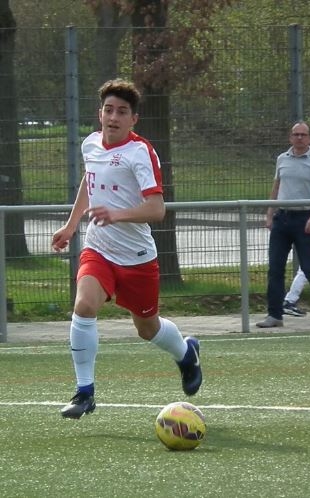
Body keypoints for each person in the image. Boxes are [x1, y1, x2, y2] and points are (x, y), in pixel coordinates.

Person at [51, 79, 202, 419]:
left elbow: (157, 209)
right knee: (84, 306)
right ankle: (84, 393)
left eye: (122, 112)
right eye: (108, 110)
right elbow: (90, 181)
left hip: (136, 258)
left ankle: (186, 353)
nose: (113, 117)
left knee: (147, 328)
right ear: (99, 114)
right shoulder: (90, 144)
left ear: (133, 119)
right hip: (98, 249)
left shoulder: (140, 152)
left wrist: (116, 214)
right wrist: (71, 225)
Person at [256, 121, 310, 328]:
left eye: (303, 134)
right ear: (290, 137)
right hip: (282, 219)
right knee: (275, 268)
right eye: (296, 134)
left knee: (309, 267)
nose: (299, 138)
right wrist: (269, 213)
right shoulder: (282, 159)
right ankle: (274, 315)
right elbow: (276, 187)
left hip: (305, 219)